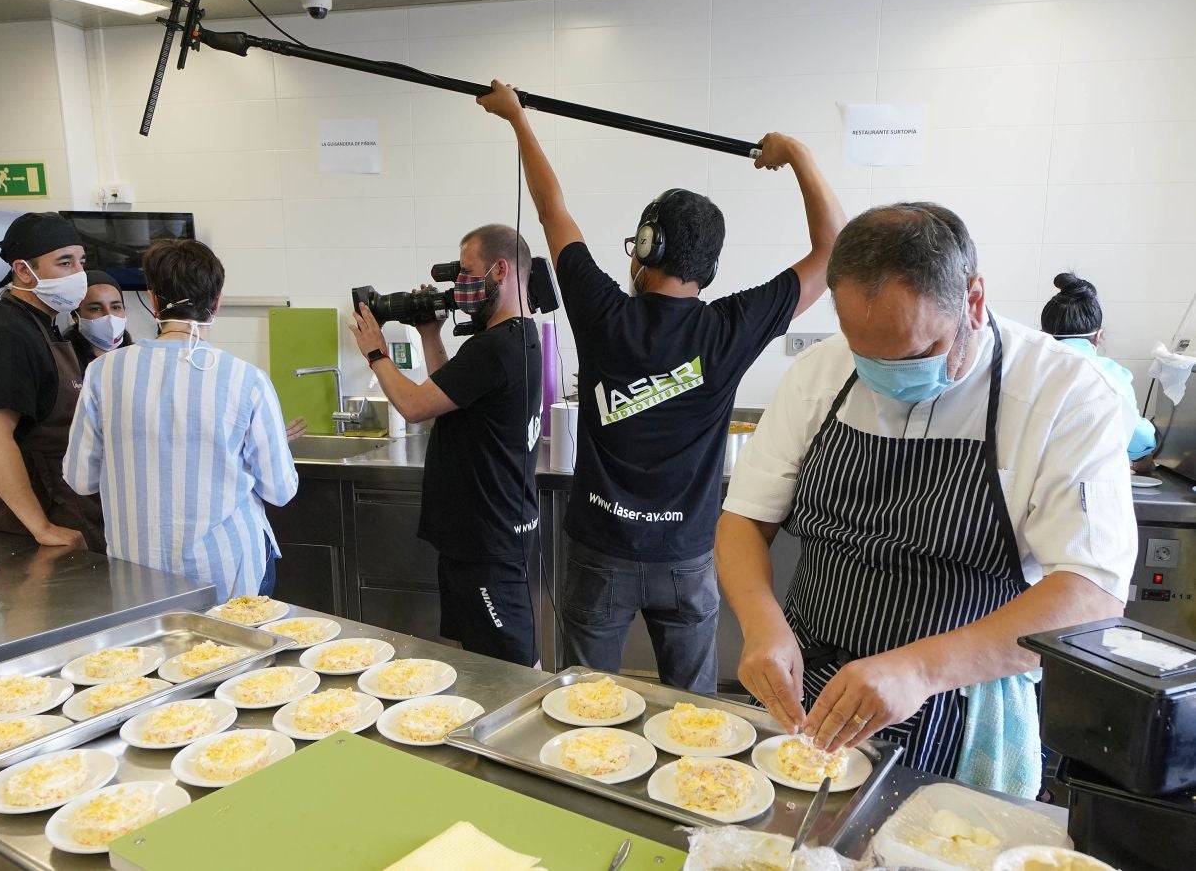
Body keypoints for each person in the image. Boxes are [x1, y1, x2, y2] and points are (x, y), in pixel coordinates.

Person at [715, 203, 1135, 796]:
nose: (889, 376)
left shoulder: (1062, 393)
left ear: (973, 299)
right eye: (867, 355)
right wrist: (762, 627)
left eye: (915, 354)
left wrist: (921, 666)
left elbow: (1092, 594)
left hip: (959, 697)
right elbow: (744, 519)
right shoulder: (819, 372)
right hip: (814, 683)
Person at [476, 80, 845, 694]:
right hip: (688, 559)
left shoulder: (601, 312)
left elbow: (551, 210)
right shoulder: (731, 328)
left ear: (646, 247)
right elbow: (833, 251)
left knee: (582, 706)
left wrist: (518, 119)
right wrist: (799, 155)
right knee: (693, 713)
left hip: (602, 551)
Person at [348, 223, 543, 667]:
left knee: (510, 666)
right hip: (476, 539)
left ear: (500, 270)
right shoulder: (516, 339)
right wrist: (430, 335)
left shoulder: (495, 347)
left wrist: (376, 353)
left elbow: (416, 405)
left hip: (486, 544)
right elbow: (446, 399)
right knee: (479, 659)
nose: (460, 286)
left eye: (467, 272)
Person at [63, 239, 300, 601]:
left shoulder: (102, 373)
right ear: (216, 302)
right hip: (230, 572)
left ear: (154, 301)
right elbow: (281, 491)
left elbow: (80, 480)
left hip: (139, 573)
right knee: (234, 656)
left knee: (157, 657)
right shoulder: (246, 379)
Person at [0, 212, 104, 551]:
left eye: (80, 262)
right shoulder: (8, 335)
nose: (78, 274)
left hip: (64, 501)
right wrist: (42, 527)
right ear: (24, 271)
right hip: (39, 517)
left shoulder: (42, 322)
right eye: (64, 263)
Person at [1041, 271, 1156, 463]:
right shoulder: (1110, 374)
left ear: (1042, 333)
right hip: (1085, 482)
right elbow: (1138, 440)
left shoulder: (1024, 367)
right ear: (1097, 336)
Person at [66, 270, 134, 369]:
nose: (109, 315)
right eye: (96, 308)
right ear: (75, 316)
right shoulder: (64, 362)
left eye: (115, 307)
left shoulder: (138, 358)